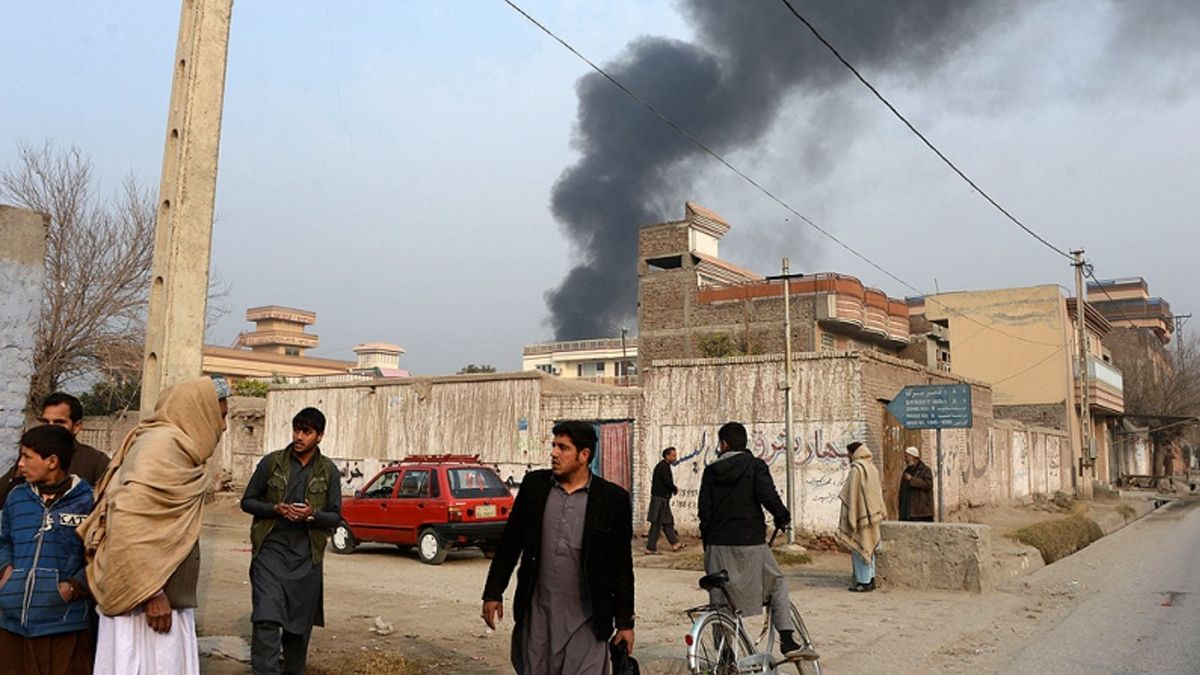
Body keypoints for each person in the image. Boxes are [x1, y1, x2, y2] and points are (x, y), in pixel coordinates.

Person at [77, 376, 229, 675]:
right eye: (220, 416)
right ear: (197, 411)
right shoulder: (160, 449)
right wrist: (151, 593)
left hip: (163, 597)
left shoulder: (181, 450)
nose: (223, 426)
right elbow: (128, 524)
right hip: (144, 601)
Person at [482, 420, 635, 674]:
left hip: (587, 622)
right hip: (538, 617)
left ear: (584, 455)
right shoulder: (535, 487)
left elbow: (622, 565)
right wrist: (493, 592)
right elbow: (510, 543)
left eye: (563, 448)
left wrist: (625, 622)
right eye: (553, 446)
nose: (554, 453)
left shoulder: (612, 499)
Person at [698, 422, 815, 661]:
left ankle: (726, 657)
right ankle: (787, 639)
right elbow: (768, 496)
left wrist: (708, 544)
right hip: (750, 541)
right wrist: (782, 516)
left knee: (720, 600)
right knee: (777, 582)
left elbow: (704, 512)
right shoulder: (755, 466)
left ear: (724, 444)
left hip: (717, 544)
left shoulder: (711, 471)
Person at [241, 407, 342, 675]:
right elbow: (247, 501)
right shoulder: (271, 463)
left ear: (319, 436)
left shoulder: (329, 471)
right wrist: (274, 509)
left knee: (297, 631)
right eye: (296, 430)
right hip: (270, 552)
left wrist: (312, 514)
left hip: (306, 558)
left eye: (306, 432)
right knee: (265, 618)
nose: (299, 436)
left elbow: (335, 517)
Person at [0, 425, 95, 674]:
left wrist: (73, 587)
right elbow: (4, 540)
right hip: (11, 623)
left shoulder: (89, 502)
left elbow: (101, 556)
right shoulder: (16, 498)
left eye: (27, 457)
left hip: (64, 623)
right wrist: (6, 572)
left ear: (52, 461)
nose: (20, 464)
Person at [0, 393, 111, 506]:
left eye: (58, 422)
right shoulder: (30, 457)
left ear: (76, 426)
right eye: (45, 422)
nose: (50, 428)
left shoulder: (95, 461)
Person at [837, 441, 886, 593]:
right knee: (870, 547)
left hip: (860, 515)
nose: (848, 456)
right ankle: (870, 579)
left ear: (854, 453)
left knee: (860, 548)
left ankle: (863, 582)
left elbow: (851, 495)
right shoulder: (872, 469)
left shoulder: (856, 470)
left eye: (849, 453)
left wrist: (852, 514)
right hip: (872, 515)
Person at [646, 446, 683, 554]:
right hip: (659, 499)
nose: (675, 458)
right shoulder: (663, 467)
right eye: (673, 455)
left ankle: (675, 543)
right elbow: (667, 482)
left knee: (667, 521)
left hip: (663, 498)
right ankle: (651, 548)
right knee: (657, 523)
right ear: (667, 456)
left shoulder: (664, 466)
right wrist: (674, 488)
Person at [898, 446, 934, 522]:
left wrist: (912, 480)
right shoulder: (907, 471)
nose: (905, 459)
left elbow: (928, 484)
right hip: (907, 512)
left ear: (913, 457)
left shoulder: (925, 470)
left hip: (922, 513)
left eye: (907, 457)